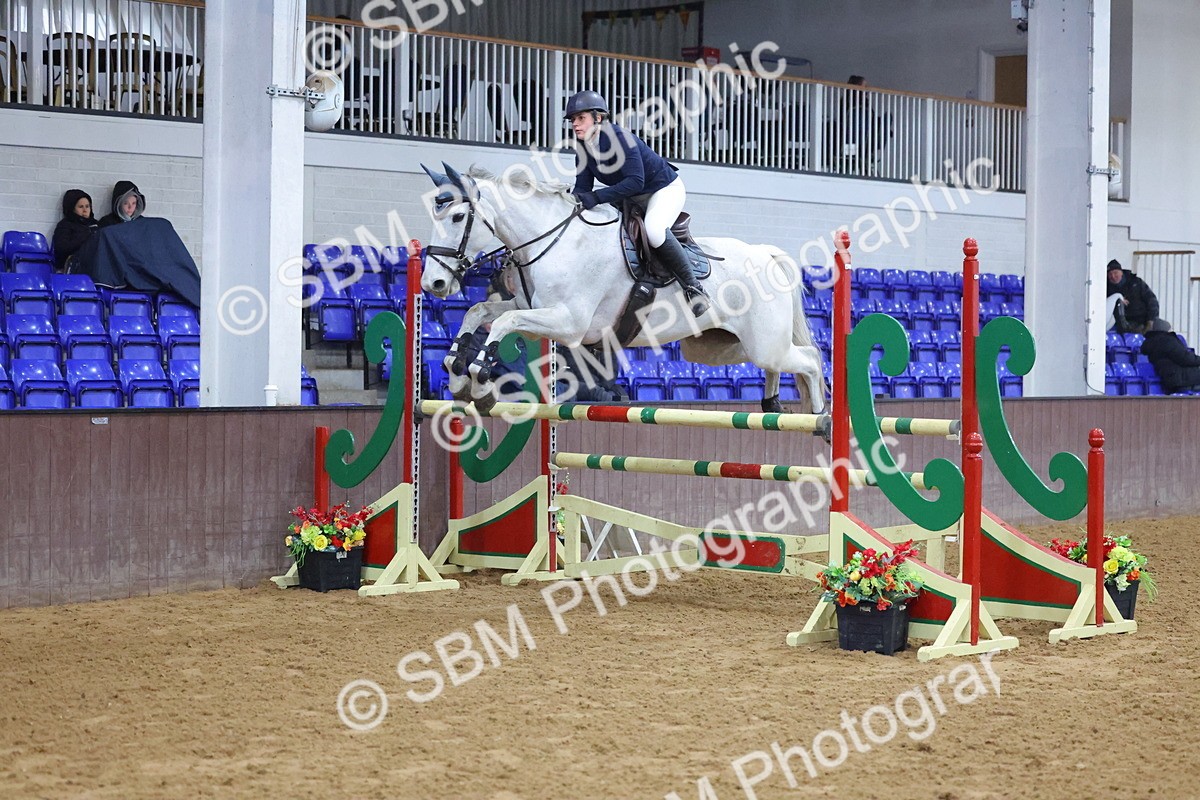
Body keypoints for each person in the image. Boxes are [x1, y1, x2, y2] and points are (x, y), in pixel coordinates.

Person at [564, 90, 710, 317]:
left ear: (598, 118)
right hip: (630, 197)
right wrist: (569, 206)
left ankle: (694, 289)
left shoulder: (620, 138)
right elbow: (583, 189)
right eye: (572, 120)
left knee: (654, 230)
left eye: (580, 118)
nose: (575, 124)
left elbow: (635, 181)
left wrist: (596, 198)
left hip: (662, 190)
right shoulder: (583, 147)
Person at [1141, 319, 1200, 394]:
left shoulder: (1151, 342)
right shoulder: (1167, 341)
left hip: (1170, 377)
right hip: (1179, 378)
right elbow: (1185, 358)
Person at [51, 188, 99, 272]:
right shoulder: (65, 226)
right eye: (81, 207)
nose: (85, 210)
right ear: (72, 208)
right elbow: (61, 249)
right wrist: (85, 236)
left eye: (87, 206)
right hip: (72, 268)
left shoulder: (96, 224)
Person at [1106, 259, 1159, 333]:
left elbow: (1151, 300)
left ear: (1121, 272)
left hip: (1142, 321)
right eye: (1110, 274)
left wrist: (1150, 321)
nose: (1113, 276)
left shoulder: (1136, 282)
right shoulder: (1106, 288)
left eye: (1115, 273)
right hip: (1120, 324)